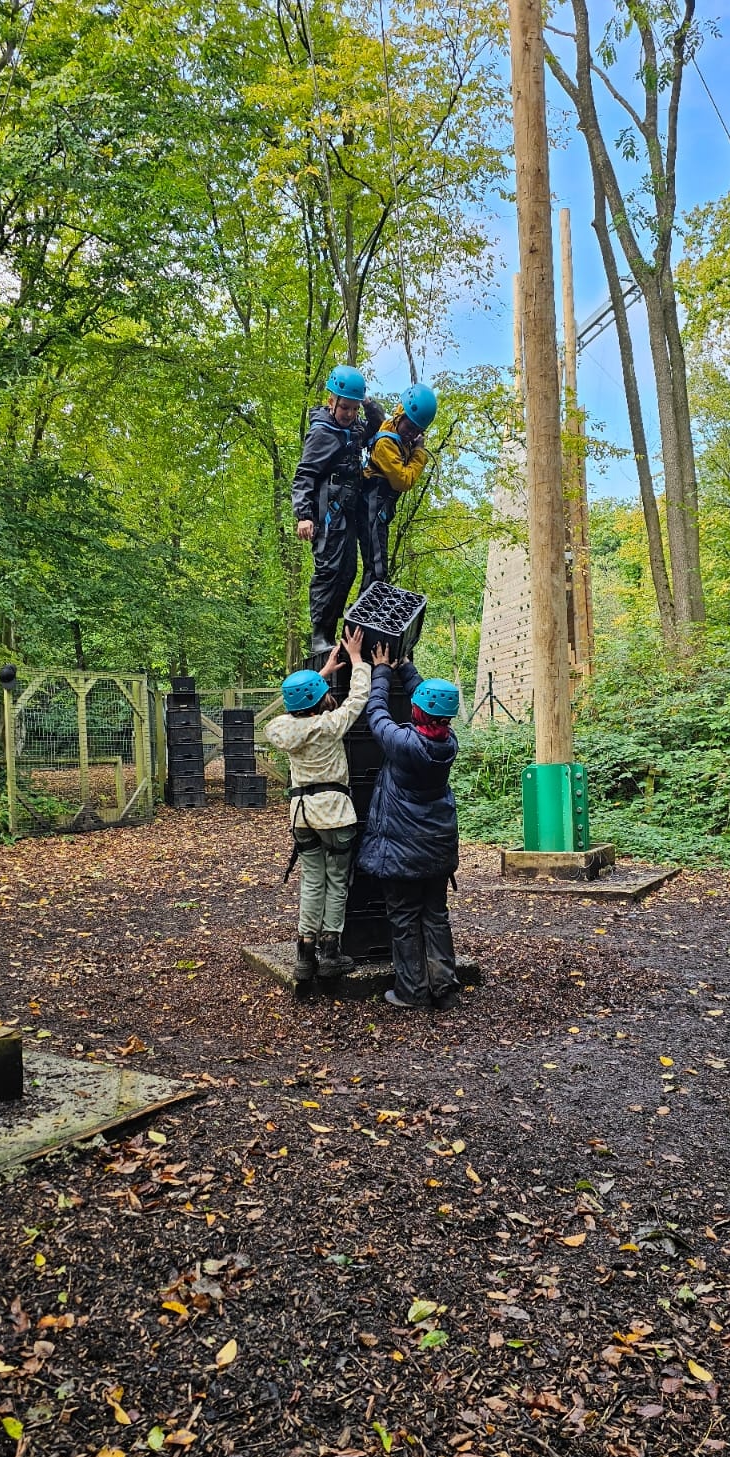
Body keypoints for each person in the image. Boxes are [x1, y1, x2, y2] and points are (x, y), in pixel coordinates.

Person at [358, 643, 462, 1010]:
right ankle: (444, 988)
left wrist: (381, 670)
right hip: (437, 846)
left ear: (417, 711)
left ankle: (412, 991)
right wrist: (406, 668)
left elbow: (376, 712)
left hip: (402, 850)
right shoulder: (449, 742)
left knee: (403, 918)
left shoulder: (404, 744)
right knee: (435, 916)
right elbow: (431, 706)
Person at [265, 626, 371, 982]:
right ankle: (330, 953)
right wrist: (356, 659)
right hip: (335, 815)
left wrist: (319, 676)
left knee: (312, 880)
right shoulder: (329, 725)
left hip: (302, 817)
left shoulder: (283, 730)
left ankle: (304, 955)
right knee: (336, 880)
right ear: (319, 699)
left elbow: (282, 715)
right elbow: (359, 696)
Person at [292, 365, 384, 656]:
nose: (349, 414)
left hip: (348, 508)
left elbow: (377, 424)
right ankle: (320, 634)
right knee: (329, 569)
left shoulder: (354, 428)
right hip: (327, 509)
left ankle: (337, 632)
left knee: (348, 570)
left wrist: (367, 403)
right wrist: (303, 515)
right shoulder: (321, 433)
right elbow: (304, 474)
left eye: (354, 408)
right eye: (345, 407)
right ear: (331, 402)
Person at [361, 382, 437, 592]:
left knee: (377, 569)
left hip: (378, 508)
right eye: (409, 427)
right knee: (377, 569)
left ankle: (366, 609)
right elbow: (403, 481)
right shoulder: (386, 443)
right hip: (372, 505)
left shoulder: (397, 434)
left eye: (417, 431)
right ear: (399, 416)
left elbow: (378, 416)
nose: (411, 434)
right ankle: (365, 612)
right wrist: (419, 453)